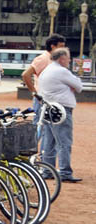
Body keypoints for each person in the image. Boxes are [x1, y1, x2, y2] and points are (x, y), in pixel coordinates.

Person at [37, 47, 82, 183]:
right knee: (64, 142)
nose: (69, 60)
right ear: (62, 58)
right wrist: (71, 87)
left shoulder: (47, 70)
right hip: (61, 110)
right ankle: (65, 172)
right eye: (68, 58)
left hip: (48, 109)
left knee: (49, 142)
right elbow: (79, 86)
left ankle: (48, 170)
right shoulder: (62, 71)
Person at [22, 34, 66, 126]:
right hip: (42, 99)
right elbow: (26, 75)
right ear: (52, 46)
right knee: (39, 125)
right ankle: (34, 140)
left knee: (49, 127)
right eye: (61, 46)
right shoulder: (43, 59)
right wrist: (35, 93)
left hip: (53, 100)